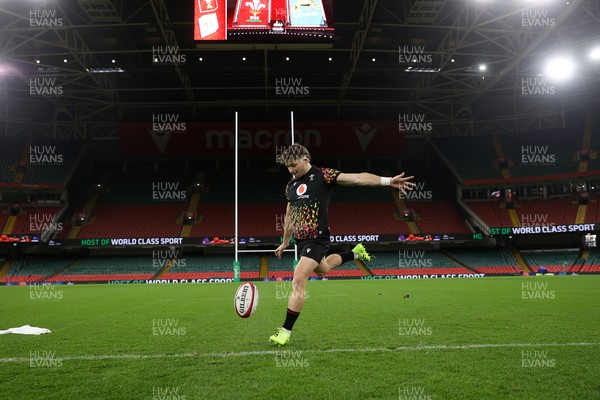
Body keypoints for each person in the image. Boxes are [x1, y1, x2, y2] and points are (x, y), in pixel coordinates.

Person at [269, 144, 415, 346]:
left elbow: (359, 178)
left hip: (318, 238)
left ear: (305, 159)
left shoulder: (323, 175)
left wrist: (388, 181)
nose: (291, 170)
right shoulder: (290, 186)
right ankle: (356, 253)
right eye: (287, 167)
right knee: (323, 269)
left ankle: (285, 331)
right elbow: (289, 216)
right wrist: (285, 242)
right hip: (302, 241)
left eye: (293, 165)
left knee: (299, 277)